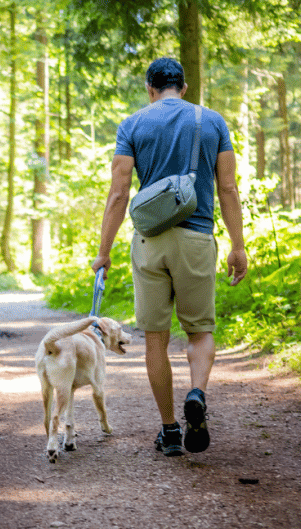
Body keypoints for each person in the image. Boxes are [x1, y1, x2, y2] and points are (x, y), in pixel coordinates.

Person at [91, 57, 248, 457]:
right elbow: (227, 188)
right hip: (196, 238)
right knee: (199, 331)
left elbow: (119, 193)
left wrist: (104, 251)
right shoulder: (212, 121)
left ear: (150, 88)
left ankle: (170, 431)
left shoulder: (132, 124)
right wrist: (237, 244)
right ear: (185, 86)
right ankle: (196, 393)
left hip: (150, 241)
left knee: (156, 340)